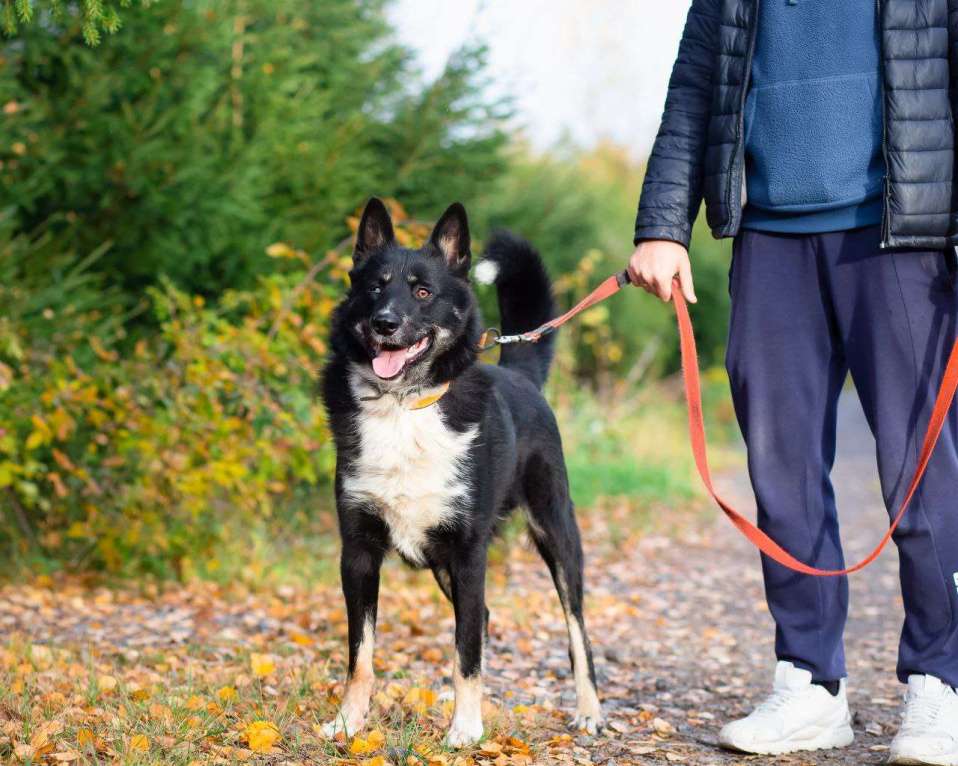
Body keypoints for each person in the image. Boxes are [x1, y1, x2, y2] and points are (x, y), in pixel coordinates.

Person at [628, 1, 958, 763]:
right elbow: (692, 91)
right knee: (780, 474)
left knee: (924, 472)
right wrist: (662, 226)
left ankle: (942, 683)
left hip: (899, 233)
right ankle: (810, 683)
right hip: (769, 239)